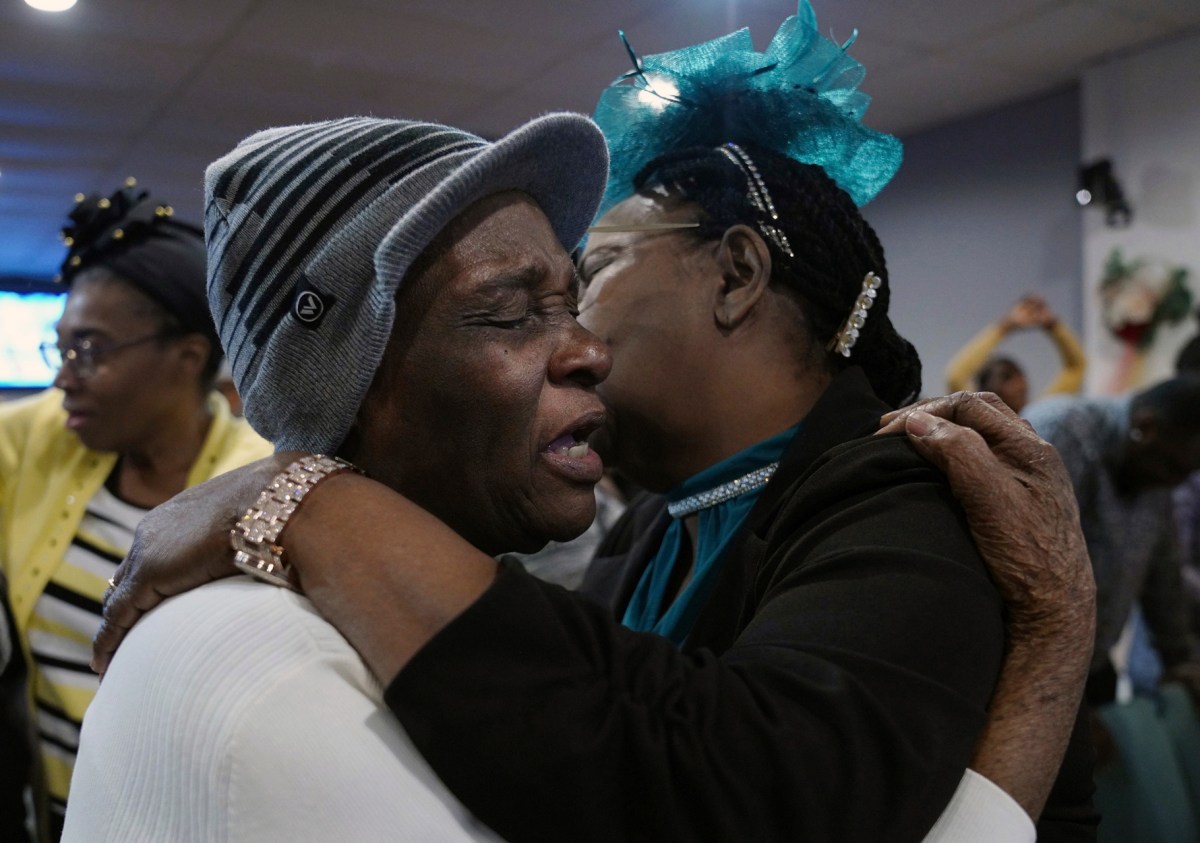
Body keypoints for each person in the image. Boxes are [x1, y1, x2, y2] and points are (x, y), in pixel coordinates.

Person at [88, 7, 1093, 842]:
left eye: (588, 281)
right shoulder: (645, 531)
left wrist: (304, 500)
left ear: (738, 275)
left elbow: (751, 782)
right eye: (515, 311)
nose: (588, 347)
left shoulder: (900, 488)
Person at [0, 181, 271, 839]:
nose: (63, 377)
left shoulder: (260, 487)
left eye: (90, 350)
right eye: (61, 348)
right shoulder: (47, 440)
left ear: (188, 356)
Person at [1023, 377, 1200, 708]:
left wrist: (1180, 661)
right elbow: (1027, 568)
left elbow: (1163, 578)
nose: (1174, 483)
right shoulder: (1064, 433)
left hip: (1089, 668)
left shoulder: (1155, 475)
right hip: (1023, 671)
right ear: (1146, 427)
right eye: (1173, 468)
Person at [945, 294, 1087, 413]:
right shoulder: (976, 417)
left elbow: (1076, 367)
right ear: (986, 389)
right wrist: (1005, 326)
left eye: (1020, 376)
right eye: (1006, 378)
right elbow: (956, 376)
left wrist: (1053, 325)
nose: (1019, 384)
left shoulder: (1038, 416)